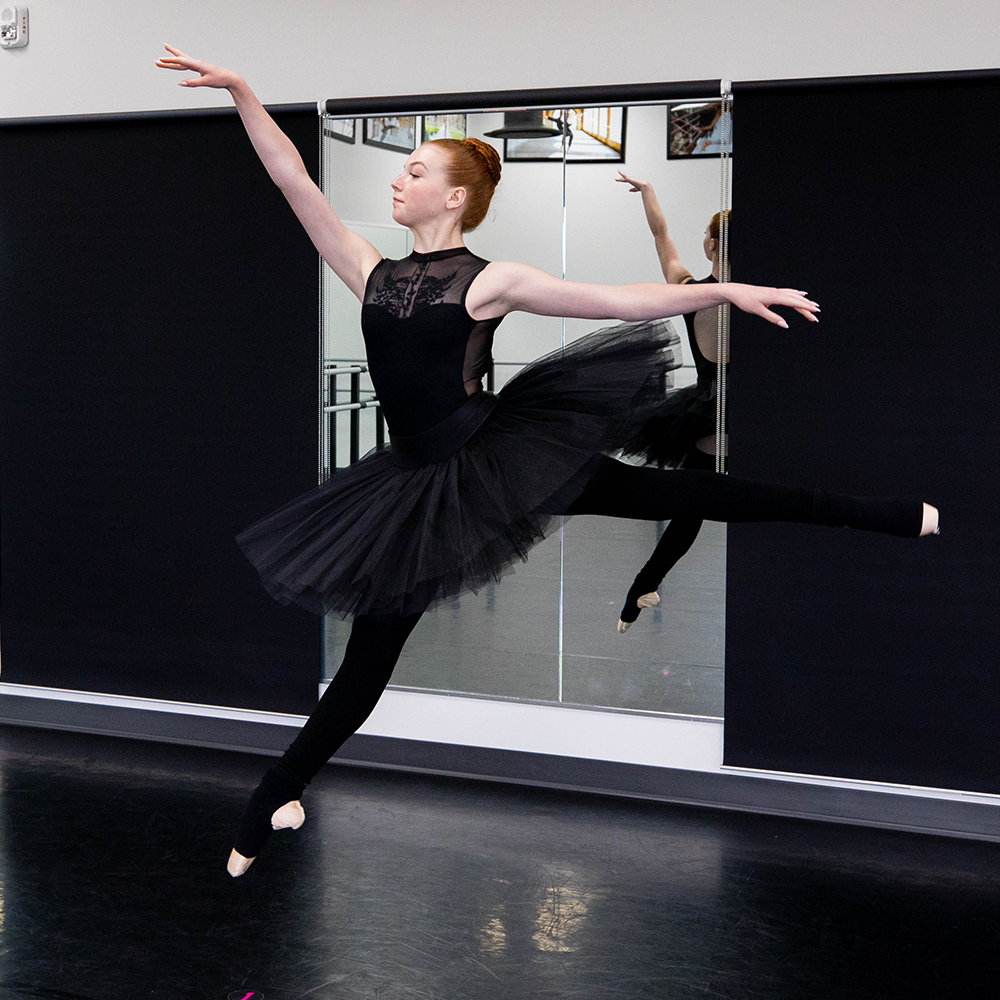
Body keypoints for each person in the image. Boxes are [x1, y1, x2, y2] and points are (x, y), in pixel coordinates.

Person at [156, 47, 938, 877]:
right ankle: (278, 791)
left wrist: (723, 292)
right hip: (414, 484)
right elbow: (292, 182)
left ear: (453, 196)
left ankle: (880, 514)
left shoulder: (489, 280)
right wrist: (244, 91)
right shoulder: (370, 271)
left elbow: (616, 301)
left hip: (499, 457)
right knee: (370, 652)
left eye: (413, 170)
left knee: (690, 490)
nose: (398, 180)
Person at [613, 170, 729, 632]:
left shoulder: (688, 291)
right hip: (728, 417)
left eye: (705, 232)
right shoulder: (758, 297)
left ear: (713, 245)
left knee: (690, 509)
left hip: (705, 416)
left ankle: (644, 584)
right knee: (705, 506)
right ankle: (643, 584)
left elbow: (662, 238)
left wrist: (649, 193)